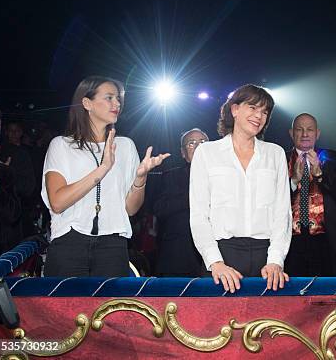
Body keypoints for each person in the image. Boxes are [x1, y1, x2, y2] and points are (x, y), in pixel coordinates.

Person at [42, 76, 169, 277]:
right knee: (66, 308)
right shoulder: (62, 145)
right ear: (87, 103)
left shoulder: (126, 146)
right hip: (69, 243)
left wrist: (141, 178)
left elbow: (130, 208)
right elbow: (57, 202)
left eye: (118, 99)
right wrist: (103, 168)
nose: (117, 103)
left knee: (111, 307)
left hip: (113, 245)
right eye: (109, 97)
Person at [190, 84, 291, 293]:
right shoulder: (206, 153)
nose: (259, 116)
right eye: (253, 108)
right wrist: (215, 262)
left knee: (266, 324)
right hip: (221, 256)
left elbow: (283, 213)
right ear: (235, 110)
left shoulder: (276, 154)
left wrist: (276, 261)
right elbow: (199, 215)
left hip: (267, 261)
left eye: (264, 112)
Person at [284, 113, 336, 276]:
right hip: (290, 239)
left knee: (327, 291)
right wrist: (293, 181)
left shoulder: (333, 158)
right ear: (291, 133)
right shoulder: (279, 157)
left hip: (326, 238)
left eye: (310, 130)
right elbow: (270, 199)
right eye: (299, 129)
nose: (305, 134)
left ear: (317, 133)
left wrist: (320, 174)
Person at [153, 128, 208, 277]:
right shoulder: (171, 176)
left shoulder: (223, 176)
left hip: (214, 254)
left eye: (203, 142)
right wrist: (193, 197)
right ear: (183, 153)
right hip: (178, 253)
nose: (198, 146)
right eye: (192, 143)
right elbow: (159, 209)